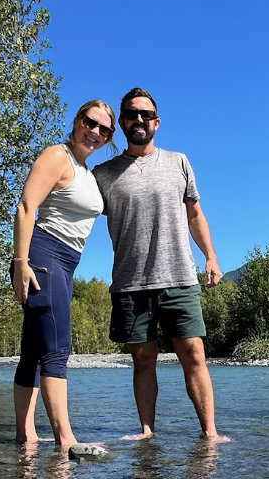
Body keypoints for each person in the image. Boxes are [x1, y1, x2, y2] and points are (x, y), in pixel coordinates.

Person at [94, 87, 229, 441]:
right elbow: (74, 211)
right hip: (130, 282)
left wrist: (211, 256)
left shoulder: (179, 162)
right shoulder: (102, 174)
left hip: (179, 276)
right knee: (142, 359)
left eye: (145, 114)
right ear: (121, 122)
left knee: (194, 355)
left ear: (157, 121)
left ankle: (210, 433)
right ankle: (147, 432)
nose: (139, 119)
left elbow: (195, 214)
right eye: (131, 114)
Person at [11, 100, 115, 446]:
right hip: (45, 255)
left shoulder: (85, 170)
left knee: (34, 349)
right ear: (76, 121)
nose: (95, 131)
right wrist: (20, 262)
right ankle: (65, 440)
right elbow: (27, 206)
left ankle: (25, 437)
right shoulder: (57, 156)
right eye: (90, 122)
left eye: (104, 129)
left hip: (67, 263)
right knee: (56, 348)